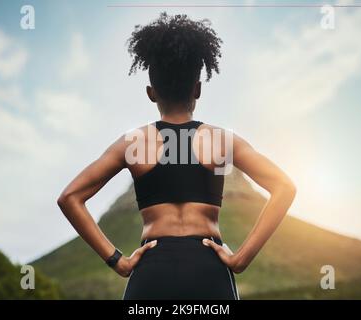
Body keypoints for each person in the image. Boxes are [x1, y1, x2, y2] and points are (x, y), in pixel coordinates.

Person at [57, 12, 296, 300]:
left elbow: (69, 198)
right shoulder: (221, 140)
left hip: (151, 271)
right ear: (197, 88)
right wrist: (241, 258)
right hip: (209, 270)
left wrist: (117, 261)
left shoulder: (132, 143)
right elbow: (284, 187)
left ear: (151, 93)